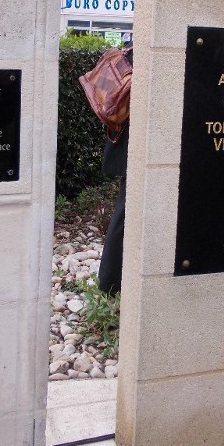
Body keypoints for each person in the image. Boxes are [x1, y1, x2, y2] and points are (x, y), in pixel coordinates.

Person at [96, 41, 133, 295]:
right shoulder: (147, 53)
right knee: (125, 214)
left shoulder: (131, 50)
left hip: (122, 142)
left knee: (125, 212)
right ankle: (109, 285)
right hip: (132, 148)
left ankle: (111, 283)